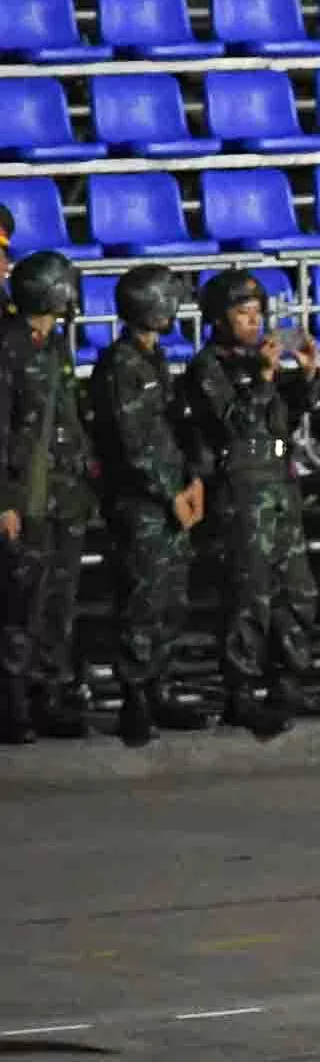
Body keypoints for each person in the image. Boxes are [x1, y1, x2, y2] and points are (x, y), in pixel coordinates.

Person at [182, 268, 320, 735]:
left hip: (279, 486)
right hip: (241, 489)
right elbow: (234, 423)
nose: (252, 322)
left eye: (257, 313)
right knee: (249, 594)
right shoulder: (208, 367)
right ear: (219, 318)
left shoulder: (257, 362)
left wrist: (304, 379)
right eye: (242, 313)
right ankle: (240, 691)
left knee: (296, 591)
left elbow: (283, 420)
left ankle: (289, 683)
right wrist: (264, 377)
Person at [89, 265, 203, 744]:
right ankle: (135, 698)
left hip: (170, 499)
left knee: (170, 599)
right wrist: (170, 493)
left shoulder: (152, 360)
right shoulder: (121, 366)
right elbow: (135, 445)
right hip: (142, 505)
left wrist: (192, 480)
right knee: (141, 599)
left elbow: (173, 430)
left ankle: (160, 686)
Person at [0, 251, 91, 742]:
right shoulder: (10, 348)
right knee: (22, 603)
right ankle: (12, 704)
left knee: (59, 598)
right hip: (28, 495)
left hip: (63, 493)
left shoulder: (53, 346)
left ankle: (48, 696)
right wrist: (4, 500)